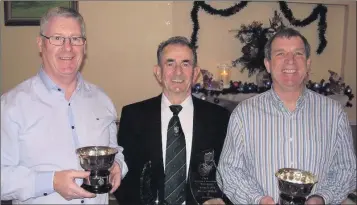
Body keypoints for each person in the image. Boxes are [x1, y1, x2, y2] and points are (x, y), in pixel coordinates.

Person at [1, 7, 127, 204]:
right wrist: (50, 182)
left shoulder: (102, 100)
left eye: (75, 39)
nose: (68, 48)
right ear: (41, 44)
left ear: (84, 46)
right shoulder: (11, 106)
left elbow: (113, 149)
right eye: (57, 38)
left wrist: (118, 164)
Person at [217, 27, 356, 205]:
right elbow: (229, 170)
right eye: (280, 54)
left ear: (308, 63)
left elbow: (346, 169)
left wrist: (322, 198)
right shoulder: (244, 114)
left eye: (298, 54)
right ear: (268, 64)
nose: (290, 61)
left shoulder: (334, 113)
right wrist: (259, 200)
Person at [113, 36, 231, 204]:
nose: (178, 72)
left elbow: (229, 170)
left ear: (195, 72)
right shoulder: (134, 115)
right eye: (170, 63)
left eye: (185, 63)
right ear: (158, 72)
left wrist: (221, 199)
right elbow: (122, 172)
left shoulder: (218, 117)